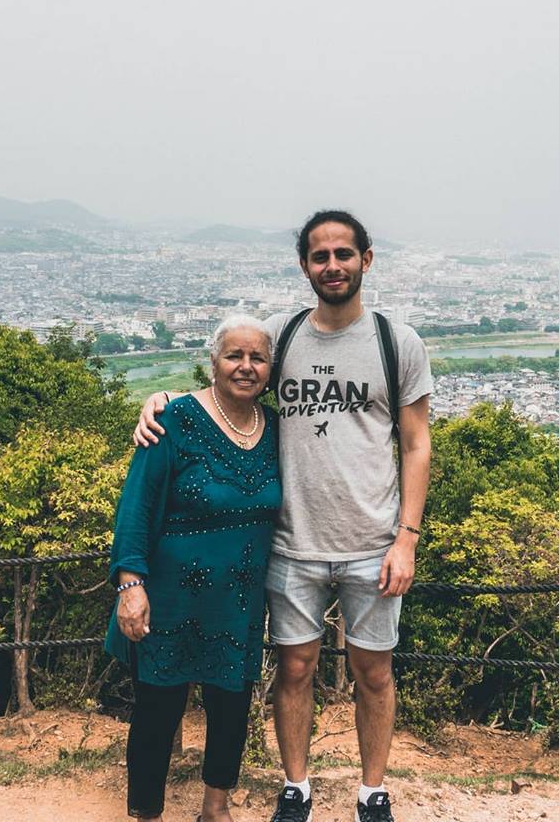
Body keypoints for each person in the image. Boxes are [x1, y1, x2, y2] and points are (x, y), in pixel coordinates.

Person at [135, 210, 433, 822]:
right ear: (304, 266)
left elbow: (416, 442)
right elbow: (228, 377)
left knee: (373, 670)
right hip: (291, 541)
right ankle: (295, 787)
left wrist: (406, 538)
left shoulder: (395, 342)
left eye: (343, 254)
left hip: (371, 541)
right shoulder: (282, 335)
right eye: (320, 256)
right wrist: (160, 399)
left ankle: (372, 792)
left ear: (366, 260)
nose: (332, 266)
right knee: (294, 668)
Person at [106, 315, 281, 822]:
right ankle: (147, 813)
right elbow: (136, 507)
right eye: (234, 356)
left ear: (270, 369)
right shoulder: (173, 420)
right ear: (213, 361)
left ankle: (215, 808)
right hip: (171, 599)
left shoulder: (276, 430)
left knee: (231, 708)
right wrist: (131, 585)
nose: (245, 367)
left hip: (240, 602)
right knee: (158, 713)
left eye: (257, 358)